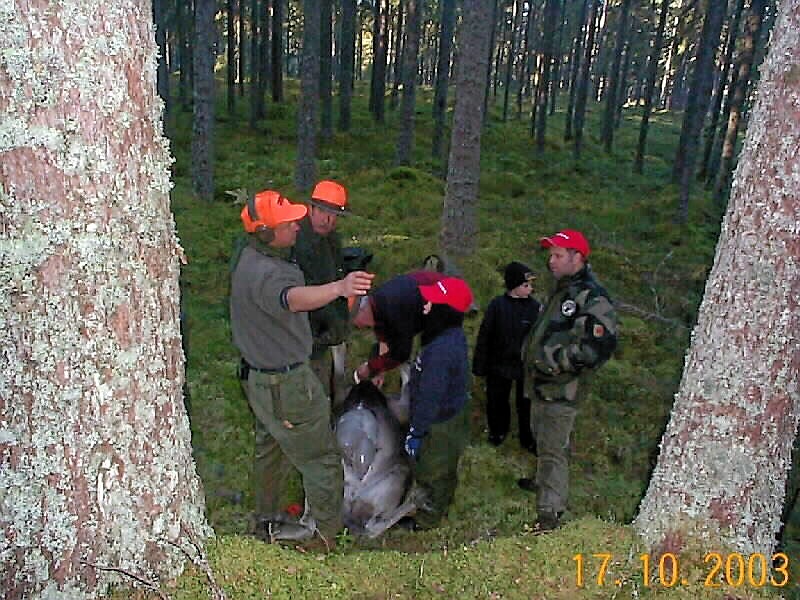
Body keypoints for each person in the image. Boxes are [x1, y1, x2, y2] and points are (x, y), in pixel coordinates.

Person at [229, 189, 373, 551]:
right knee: (321, 458)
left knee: (270, 446)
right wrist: (340, 288)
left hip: (261, 378)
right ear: (267, 232)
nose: (298, 225)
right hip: (286, 382)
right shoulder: (268, 273)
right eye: (288, 223)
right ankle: (326, 537)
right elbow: (293, 299)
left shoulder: (250, 256)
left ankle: (266, 520)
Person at [520, 229, 617, 532]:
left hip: (562, 388)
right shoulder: (562, 290)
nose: (551, 261)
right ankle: (543, 484)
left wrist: (555, 362)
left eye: (558, 255)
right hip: (541, 385)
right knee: (542, 439)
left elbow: (597, 346)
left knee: (553, 450)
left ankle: (550, 513)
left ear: (577, 257)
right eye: (551, 255)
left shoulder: (590, 295)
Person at [402, 277, 473, 530]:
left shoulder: (441, 351)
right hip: (448, 411)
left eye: (431, 302)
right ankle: (442, 497)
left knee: (434, 468)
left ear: (445, 311)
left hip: (440, 422)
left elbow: (430, 397)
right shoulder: (446, 336)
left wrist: (417, 431)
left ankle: (428, 517)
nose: (425, 306)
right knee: (444, 464)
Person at [293, 180, 351, 412]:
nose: (329, 220)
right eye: (324, 212)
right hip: (301, 333)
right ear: (311, 208)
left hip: (324, 332)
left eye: (334, 215)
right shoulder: (294, 239)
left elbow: (337, 276)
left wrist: (340, 322)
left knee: (322, 390)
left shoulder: (332, 240)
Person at [473, 261, 541, 451]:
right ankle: (498, 431)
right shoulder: (497, 306)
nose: (530, 289)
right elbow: (485, 336)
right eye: (526, 285)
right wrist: (480, 365)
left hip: (524, 365)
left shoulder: (535, 308)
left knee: (526, 403)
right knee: (496, 400)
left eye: (531, 285)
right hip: (499, 363)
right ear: (513, 286)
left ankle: (528, 437)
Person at [352, 270, 447, 382]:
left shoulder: (394, 312)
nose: (358, 326)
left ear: (363, 311)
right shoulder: (377, 302)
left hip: (444, 299)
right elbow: (384, 337)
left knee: (433, 352)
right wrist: (379, 370)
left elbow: (401, 353)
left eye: (356, 321)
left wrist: (370, 368)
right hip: (422, 290)